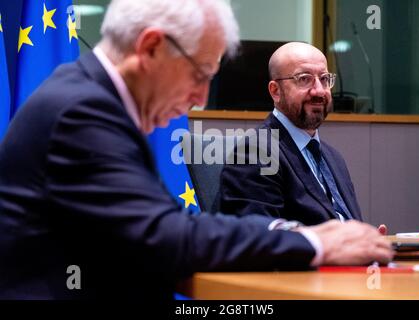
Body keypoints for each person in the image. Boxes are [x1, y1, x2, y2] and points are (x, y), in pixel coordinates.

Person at [0, 0, 392, 300]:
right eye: (200, 74)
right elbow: (167, 236)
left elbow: (158, 225)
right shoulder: (82, 112)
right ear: (152, 47)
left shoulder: (90, 98)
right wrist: (316, 241)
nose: (200, 97)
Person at [218, 42, 387, 233]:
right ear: (275, 91)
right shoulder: (254, 154)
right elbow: (261, 240)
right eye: (304, 79)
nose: (319, 91)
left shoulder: (333, 158)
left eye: (324, 79)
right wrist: (334, 247)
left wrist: (366, 241)